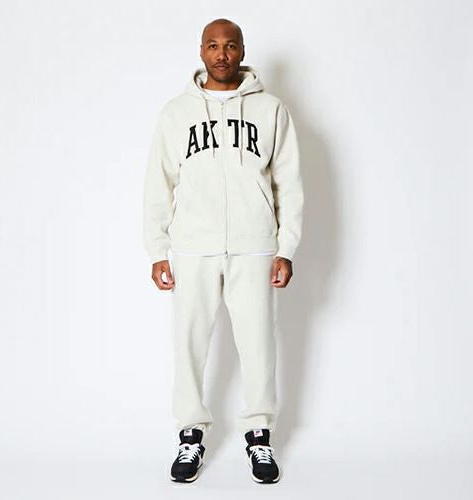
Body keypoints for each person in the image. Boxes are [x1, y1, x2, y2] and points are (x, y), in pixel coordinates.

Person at [142, 18, 304, 484]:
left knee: (258, 344)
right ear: (201, 51)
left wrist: (286, 247)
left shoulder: (271, 110)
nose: (221, 54)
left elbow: (289, 184)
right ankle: (190, 433)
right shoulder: (176, 113)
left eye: (230, 45)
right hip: (193, 247)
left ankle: (259, 435)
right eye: (213, 45)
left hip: (255, 248)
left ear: (242, 51)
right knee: (189, 343)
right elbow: (158, 184)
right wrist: (158, 249)